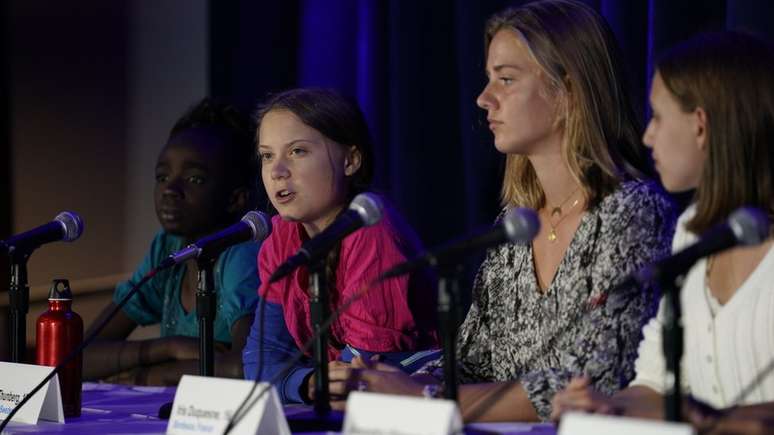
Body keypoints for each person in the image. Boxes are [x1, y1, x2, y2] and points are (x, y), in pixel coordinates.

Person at [344, 0, 675, 422]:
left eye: (506, 80)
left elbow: (594, 378)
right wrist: (384, 380)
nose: (484, 99)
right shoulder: (514, 227)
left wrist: (422, 396)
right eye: (488, 80)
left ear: (568, 90)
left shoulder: (634, 213)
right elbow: (471, 363)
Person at [551, 32, 774, 434]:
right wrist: (604, 407)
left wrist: (708, 419)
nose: (646, 137)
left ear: (701, 125)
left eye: (656, 117)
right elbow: (655, 385)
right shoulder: (691, 233)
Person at [242, 88, 440, 404]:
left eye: (297, 152)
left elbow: (361, 371)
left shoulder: (371, 228)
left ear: (350, 160)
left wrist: (306, 383)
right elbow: (261, 359)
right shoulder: (280, 237)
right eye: (267, 155)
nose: (277, 171)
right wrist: (307, 383)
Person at [83, 98, 262, 385]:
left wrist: (148, 376)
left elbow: (243, 369)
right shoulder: (168, 247)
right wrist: (166, 347)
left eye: (194, 179)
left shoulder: (241, 256)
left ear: (235, 198)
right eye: (162, 176)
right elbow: (79, 358)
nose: (170, 190)